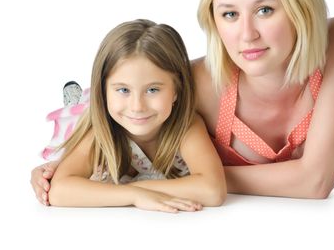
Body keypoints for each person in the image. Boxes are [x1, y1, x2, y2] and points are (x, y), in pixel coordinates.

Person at [31, 0, 334, 203]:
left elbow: (316, 181)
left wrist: (199, 179)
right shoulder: (193, 85)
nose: (247, 35)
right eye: (230, 14)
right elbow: (119, 115)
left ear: (301, 7)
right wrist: (65, 170)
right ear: (214, 21)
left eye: (265, 10)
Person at [43, 19, 226, 212]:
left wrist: (126, 189)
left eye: (153, 89)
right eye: (123, 89)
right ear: (103, 91)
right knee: (76, 118)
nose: (137, 107)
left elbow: (213, 190)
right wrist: (135, 196)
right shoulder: (99, 131)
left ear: (176, 91)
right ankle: (76, 100)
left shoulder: (187, 126)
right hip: (88, 116)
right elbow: (59, 190)